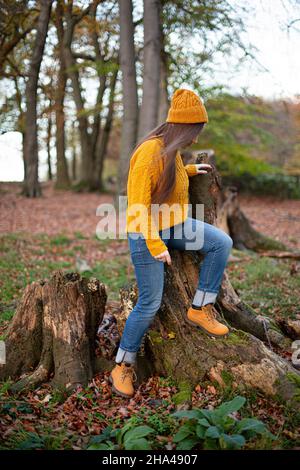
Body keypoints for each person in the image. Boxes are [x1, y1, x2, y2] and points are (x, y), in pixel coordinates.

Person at [109, 89, 233, 398]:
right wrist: (154, 244)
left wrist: (190, 170)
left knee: (221, 243)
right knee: (150, 302)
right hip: (146, 230)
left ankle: (201, 307)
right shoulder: (150, 152)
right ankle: (123, 365)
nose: (195, 139)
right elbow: (137, 205)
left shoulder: (171, 149)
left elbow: (170, 176)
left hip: (174, 223)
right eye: (194, 131)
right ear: (182, 127)